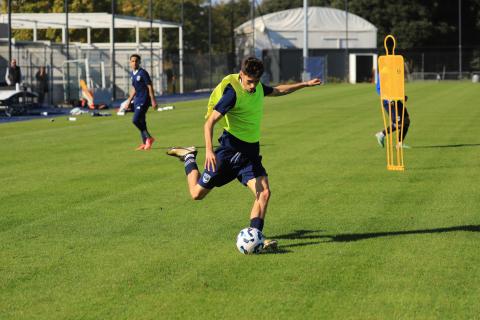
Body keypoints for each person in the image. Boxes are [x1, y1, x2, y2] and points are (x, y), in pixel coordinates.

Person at [166, 57, 322, 252]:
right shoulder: (232, 94)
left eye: (256, 82)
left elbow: (278, 90)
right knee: (196, 194)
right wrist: (208, 150)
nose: (252, 86)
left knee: (264, 193)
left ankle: (256, 236)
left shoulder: (257, 88)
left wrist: (305, 84)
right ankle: (189, 156)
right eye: (249, 82)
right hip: (228, 153)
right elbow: (209, 123)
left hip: (250, 155)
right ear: (241, 75)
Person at [124, 54, 157, 151]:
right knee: (142, 121)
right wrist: (129, 101)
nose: (134, 63)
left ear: (139, 62)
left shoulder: (143, 73)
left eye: (136, 61)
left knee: (135, 120)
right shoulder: (132, 74)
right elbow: (134, 88)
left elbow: (149, 86)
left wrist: (153, 100)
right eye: (132, 61)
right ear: (130, 63)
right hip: (137, 100)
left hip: (144, 100)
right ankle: (145, 143)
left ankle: (149, 138)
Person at [374, 75, 411, 149]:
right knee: (398, 123)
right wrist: (388, 98)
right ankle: (381, 134)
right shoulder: (383, 72)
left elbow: (395, 86)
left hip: (396, 99)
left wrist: (402, 96)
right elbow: (378, 89)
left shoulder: (394, 69)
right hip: (388, 101)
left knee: (406, 120)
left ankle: (400, 143)